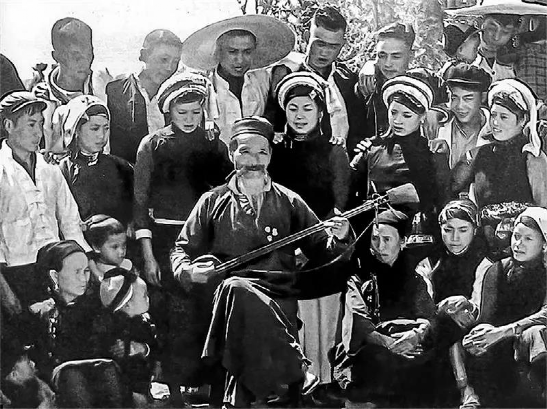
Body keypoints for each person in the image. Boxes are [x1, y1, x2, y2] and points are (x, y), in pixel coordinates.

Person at [170, 116, 353, 407]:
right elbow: (181, 250)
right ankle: (295, 366)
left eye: (261, 152)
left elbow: (323, 249)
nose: (253, 161)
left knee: (237, 294)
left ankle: (240, 397)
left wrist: (341, 237)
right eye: (244, 152)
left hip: (278, 292)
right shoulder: (211, 201)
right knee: (235, 287)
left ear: (270, 156)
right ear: (231, 154)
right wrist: (189, 271)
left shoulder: (289, 200)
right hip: (226, 299)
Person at [268, 71, 351, 400]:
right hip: (285, 246)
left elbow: (339, 205)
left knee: (325, 311)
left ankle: (326, 380)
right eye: (293, 108)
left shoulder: (334, 152)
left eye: (307, 108)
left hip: (323, 244)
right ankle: (295, 380)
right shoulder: (276, 152)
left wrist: (317, 242)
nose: (300, 115)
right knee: (292, 312)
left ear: (320, 112)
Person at [134, 73, 231, 287]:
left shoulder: (214, 144)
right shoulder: (152, 145)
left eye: (196, 112)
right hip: (165, 238)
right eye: (182, 112)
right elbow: (140, 203)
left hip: (205, 238)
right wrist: (149, 258)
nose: (189, 119)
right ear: (169, 110)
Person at [333, 209, 436, 407]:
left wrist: (416, 335)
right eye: (375, 239)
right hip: (373, 348)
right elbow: (359, 321)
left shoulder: (415, 278)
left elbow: (427, 316)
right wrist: (389, 344)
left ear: (402, 242)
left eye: (387, 239)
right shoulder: (359, 277)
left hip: (409, 344)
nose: (380, 247)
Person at [0, 92, 90, 308]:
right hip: (16, 270)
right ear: (9, 125)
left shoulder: (49, 168)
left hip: (55, 265)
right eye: (31, 125)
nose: (38, 133)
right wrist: (4, 289)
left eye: (41, 124)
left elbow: (69, 220)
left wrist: (84, 261)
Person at [25, 240, 127, 408]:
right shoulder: (42, 311)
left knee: (109, 377)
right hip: (66, 371)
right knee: (74, 380)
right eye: (76, 272)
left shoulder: (97, 305)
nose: (83, 279)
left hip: (101, 364)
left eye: (86, 271)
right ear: (54, 276)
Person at [463, 207, 547, 407]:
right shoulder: (498, 269)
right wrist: (482, 334)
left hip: (532, 344)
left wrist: (504, 331)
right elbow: (488, 317)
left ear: (544, 244)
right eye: (516, 236)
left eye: (528, 239)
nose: (518, 244)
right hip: (501, 346)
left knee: (536, 334)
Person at [416, 200, 493, 408]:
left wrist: (467, 305)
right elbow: (423, 302)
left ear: (474, 230)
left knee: (453, 326)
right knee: (445, 325)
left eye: (463, 230)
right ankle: (464, 391)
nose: (455, 238)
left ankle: (466, 388)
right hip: (434, 326)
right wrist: (442, 310)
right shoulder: (430, 262)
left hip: (470, 325)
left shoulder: (485, 263)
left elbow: (482, 303)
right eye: (448, 230)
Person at [179, 15, 295, 145]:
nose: (240, 60)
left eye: (247, 52)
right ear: (218, 52)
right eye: (232, 52)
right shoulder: (204, 88)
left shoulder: (261, 79)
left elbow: (290, 66)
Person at [267, 5, 365, 153]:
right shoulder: (287, 75)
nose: (325, 52)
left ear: (342, 45)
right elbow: (272, 122)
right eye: (320, 44)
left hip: (343, 161)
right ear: (307, 37)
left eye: (333, 46)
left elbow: (359, 127)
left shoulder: (348, 79)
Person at [352, 75, 441, 219]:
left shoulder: (431, 152)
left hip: (417, 227)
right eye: (393, 113)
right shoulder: (371, 148)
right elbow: (350, 193)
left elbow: (439, 201)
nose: (398, 121)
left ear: (422, 117)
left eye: (407, 115)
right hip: (373, 225)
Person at [453, 79, 547, 212]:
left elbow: (543, 210)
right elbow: (451, 190)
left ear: (523, 120)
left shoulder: (533, 159)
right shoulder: (479, 154)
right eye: (493, 115)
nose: (495, 123)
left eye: (503, 117)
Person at [106, 29, 183, 163]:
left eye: (175, 61)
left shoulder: (177, 95)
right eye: (164, 59)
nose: (169, 68)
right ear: (144, 55)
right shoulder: (114, 91)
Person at [58, 95, 134, 227]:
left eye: (106, 128)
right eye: (94, 128)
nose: (101, 135)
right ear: (76, 130)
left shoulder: (121, 168)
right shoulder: (62, 171)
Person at [30, 18, 100, 155]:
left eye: (88, 54)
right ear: (56, 56)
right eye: (75, 56)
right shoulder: (39, 98)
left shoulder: (102, 90)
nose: (85, 62)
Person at [95, 267, 162, 400]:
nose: (148, 298)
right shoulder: (111, 328)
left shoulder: (146, 321)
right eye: (144, 296)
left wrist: (143, 348)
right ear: (127, 305)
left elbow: (156, 345)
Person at [356, 22, 415, 139]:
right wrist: (369, 65)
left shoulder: (420, 86)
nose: (388, 64)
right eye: (382, 56)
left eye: (396, 57)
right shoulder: (368, 83)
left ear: (411, 56)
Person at [429, 63, 492, 169]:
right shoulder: (436, 126)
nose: (460, 106)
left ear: (483, 97)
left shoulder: (496, 130)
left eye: (468, 99)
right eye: (454, 98)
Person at [84, 215, 133, 285]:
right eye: (115, 247)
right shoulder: (98, 272)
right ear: (97, 247)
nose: (121, 252)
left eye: (124, 246)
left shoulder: (127, 265)